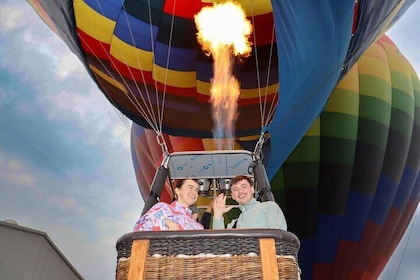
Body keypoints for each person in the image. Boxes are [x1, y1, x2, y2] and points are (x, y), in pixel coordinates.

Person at [212, 175, 287, 230]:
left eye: (244, 187)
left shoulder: (269, 207)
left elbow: (280, 236)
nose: (240, 192)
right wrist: (218, 215)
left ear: (252, 189)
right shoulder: (233, 224)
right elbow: (220, 244)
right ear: (232, 196)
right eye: (235, 189)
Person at [133, 179, 204, 231]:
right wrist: (164, 222)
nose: (194, 192)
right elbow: (139, 229)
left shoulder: (197, 227)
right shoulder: (162, 209)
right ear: (177, 190)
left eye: (196, 190)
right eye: (190, 187)